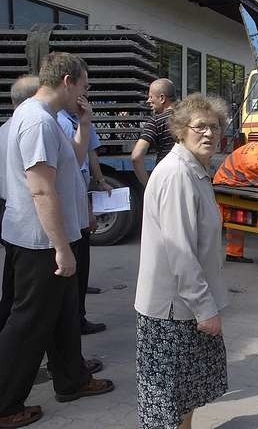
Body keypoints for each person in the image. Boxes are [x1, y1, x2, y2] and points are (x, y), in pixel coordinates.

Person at [0, 53, 114, 429]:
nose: (86, 92)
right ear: (68, 80)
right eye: (84, 85)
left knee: (64, 315)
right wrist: (62, 248)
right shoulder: (36, 122)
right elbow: (42, 192)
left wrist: (85, 122)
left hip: (50, 239)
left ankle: (72, 380)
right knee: (29, 323)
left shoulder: (48, 120)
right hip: (41, 243)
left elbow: (74, 160)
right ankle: (5, 404)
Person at [135, 94, 230, 429]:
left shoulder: (195, 169)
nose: (209, 133)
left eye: (215, 126)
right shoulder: (178, 175)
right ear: (180, 131)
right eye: (199, 126)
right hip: (175, 309)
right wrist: (206, 309)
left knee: (184, 394)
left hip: (185, 304)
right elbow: (180, 253)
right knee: (168, 400)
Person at [57, 100, 112, 335]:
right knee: (74, 264)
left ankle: (79, 316)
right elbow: (71, 167)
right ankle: (74, 321)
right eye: (82, 88)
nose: (84, 95)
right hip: (71, 203)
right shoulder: (57, 122)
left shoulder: (82, 119)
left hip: (81, 196)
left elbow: (91, 153)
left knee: (83, 259)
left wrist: (100, 180)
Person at [0, 76, 39, 330]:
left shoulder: (4, 129)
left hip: (8, 209)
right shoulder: (34, 127)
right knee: (26, 292)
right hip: (29, 214)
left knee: (11, 279)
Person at [131, 78, 177, 186]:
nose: (148, 101)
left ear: (162, 98)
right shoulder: (190, 118)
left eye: (151, 96)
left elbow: (136, 157)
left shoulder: (155, 122)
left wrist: (149, 186)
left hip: (165, 180)